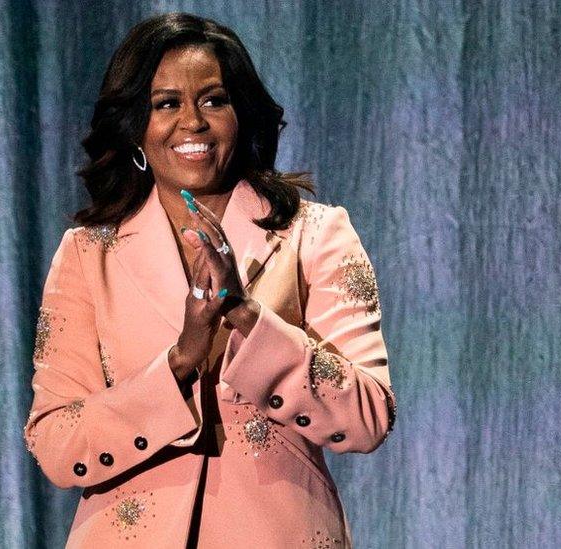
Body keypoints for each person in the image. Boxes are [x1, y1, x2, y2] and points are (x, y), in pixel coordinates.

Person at [23, 12, 396, 548]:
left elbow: (369, 415)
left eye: (214, 100)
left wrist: (246, 316)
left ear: (241, 116)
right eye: (166, 103)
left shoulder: (315, 234)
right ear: (135, 127)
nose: (192, 121)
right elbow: (55, 442)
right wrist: (178, 362)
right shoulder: (87, 254)